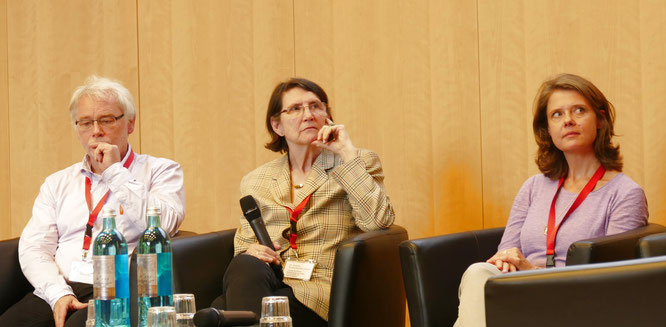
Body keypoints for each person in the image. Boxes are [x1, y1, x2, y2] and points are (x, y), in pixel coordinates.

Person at [454, 73, 648, 327]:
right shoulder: (534, 187)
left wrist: (533, 273)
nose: (568, 121)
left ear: (600, 119)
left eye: (579, 110)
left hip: (576, 306)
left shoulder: (625, 194)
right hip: (519, 296)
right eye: (557, 114)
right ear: (547, 129)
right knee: (479, 273)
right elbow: (504, 256)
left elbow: (611, 282)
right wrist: (513, 265)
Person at [0, 76, 186, 327]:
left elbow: (164, 225)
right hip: (60, 288)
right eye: (86, 123)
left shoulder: (161, 171)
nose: (96, 130)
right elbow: (34, 247)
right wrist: (59, 294)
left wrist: (115, 172)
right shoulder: (58, 182)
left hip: (119, 292)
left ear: (130, 123)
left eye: (107, 120)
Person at [208, 78, 395, 327]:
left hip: (320, 290)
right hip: (269, 278)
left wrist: (346, 152)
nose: (308, 115)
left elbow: (377, 222)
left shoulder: (357, 162)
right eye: (295, 109)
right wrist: (251, 251)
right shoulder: (256, 180)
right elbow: (243, 245)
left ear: (327, 116)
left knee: (219, 312)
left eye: (316, 106)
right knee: (245, 265)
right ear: (277, 125)